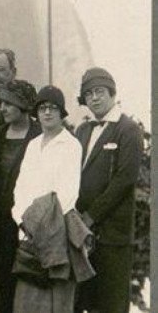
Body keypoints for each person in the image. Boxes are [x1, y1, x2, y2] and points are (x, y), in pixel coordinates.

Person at [74, 68, 143, 313]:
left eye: (100, 92)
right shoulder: (82, 131)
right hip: (81, 235)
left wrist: (91, 217)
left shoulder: (128, 129)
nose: (94, 98)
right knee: (82, 302)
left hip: (112, 235)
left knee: (110, 304)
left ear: (112, 94)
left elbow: (124, 180)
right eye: (89, 93)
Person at [11, 85, 83, 312]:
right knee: (27, 301)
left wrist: (39, 225)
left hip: (56, 233)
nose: (47, 113)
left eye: (53, 108)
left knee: (55, 302)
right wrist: (22, 221)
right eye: (42, 108)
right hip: (27, 234)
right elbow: (20, 187)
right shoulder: (33, 145)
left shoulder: (71, 145)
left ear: (62, 113)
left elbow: (67, 194)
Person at [0, 79, 40, 312]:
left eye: (9, 103)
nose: (3, 109)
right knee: (1, 283)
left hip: (27, 223)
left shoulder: (39, 134)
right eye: (1, 103)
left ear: (23, 105)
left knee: (27, 285)